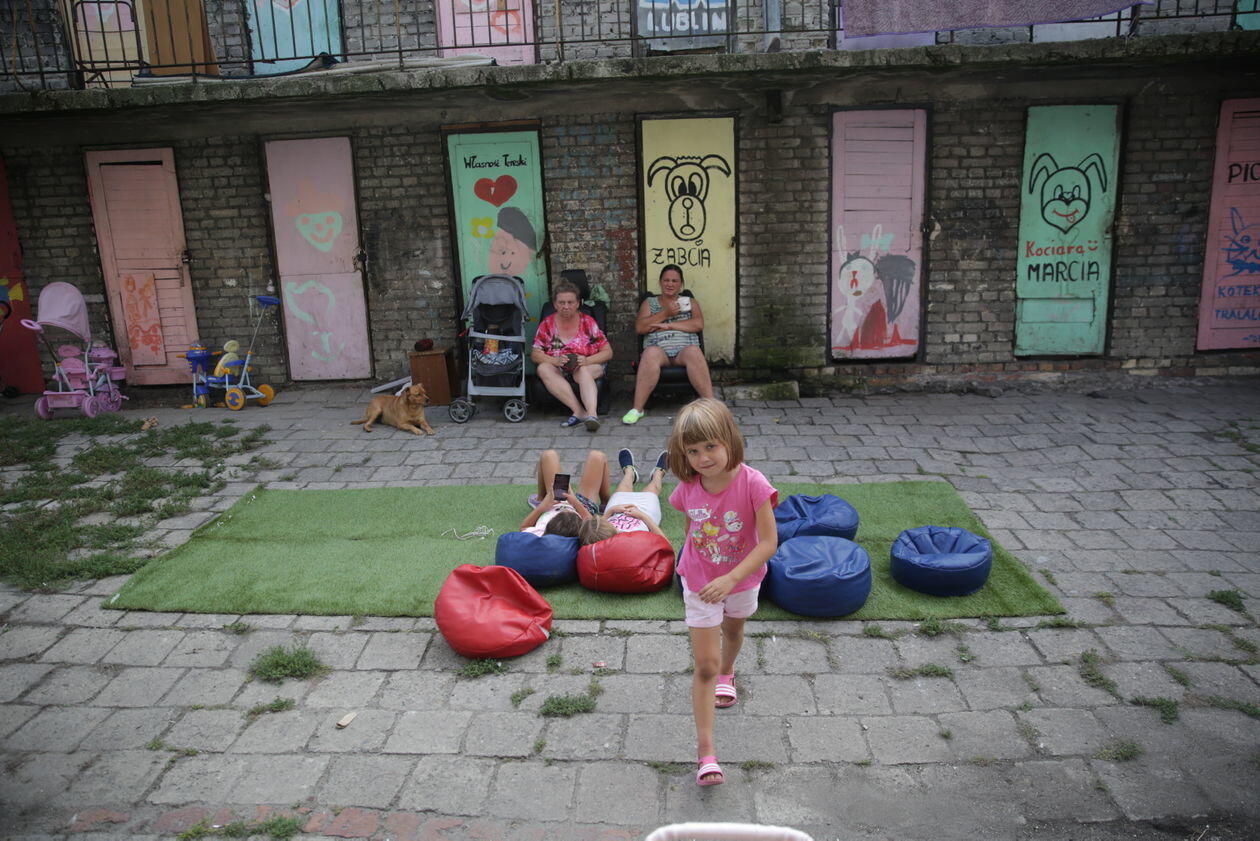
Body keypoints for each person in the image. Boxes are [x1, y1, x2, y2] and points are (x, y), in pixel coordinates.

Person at [666, 397, 778, 787]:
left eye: (710, 446)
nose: (703, 458)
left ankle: (729, 672)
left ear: (729, 439)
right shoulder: (687, 487)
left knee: (734, 630)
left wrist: (730, 578)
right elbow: (690, 530)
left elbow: (769, 543)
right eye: (693, 451)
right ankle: (706, 753)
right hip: (699, 583)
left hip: (741, 580)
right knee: (705, 666)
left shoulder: (754, 483)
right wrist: (696, 568)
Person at [622, 264, 713, 425]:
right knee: (650, 353)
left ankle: (712, 407)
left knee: (694, 351)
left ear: (681, 284)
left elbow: (698, 324)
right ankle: (637, 409)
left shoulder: (689, 302)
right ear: (660, 282)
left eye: (674, 281)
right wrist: (666, 313)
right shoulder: (649, 303)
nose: (670, 284)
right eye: (666, 280)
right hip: (659, 351)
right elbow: (641, 327)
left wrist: (669, 325)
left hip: (684, 351)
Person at [532, 280, 612, 431]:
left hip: (588, 365)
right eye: (561, 302)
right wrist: (554, 360)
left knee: (583, 370)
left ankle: (592, 415)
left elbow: (608, 352)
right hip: (559, 367)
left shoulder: (588, 322)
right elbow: (536, 354)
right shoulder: (547, 324)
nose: (566, 306)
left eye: (570, 302)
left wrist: (586, 360)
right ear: (555, 304)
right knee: (543, 368)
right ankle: (579, 411)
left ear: (578, 303)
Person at [576, 448, 670, 545]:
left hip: (616, 512)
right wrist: (642, 516)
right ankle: (658, 474)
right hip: (645, 514)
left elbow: (596, 528)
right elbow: (665, 543)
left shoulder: (599, 538)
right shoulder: (634, 542)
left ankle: (630, 473)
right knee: (653, 489)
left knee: (622, 489)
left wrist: (611, 510)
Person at [521, 449, 611, 535]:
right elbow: (592, 526)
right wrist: (575, 502)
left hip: (553, 504)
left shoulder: (540, 533)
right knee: (598, 456)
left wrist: (542, 506)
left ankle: (541, 499)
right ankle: (605, 503)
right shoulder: (581, 536)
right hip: (582, 508)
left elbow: (524, 528)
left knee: (548, 455)